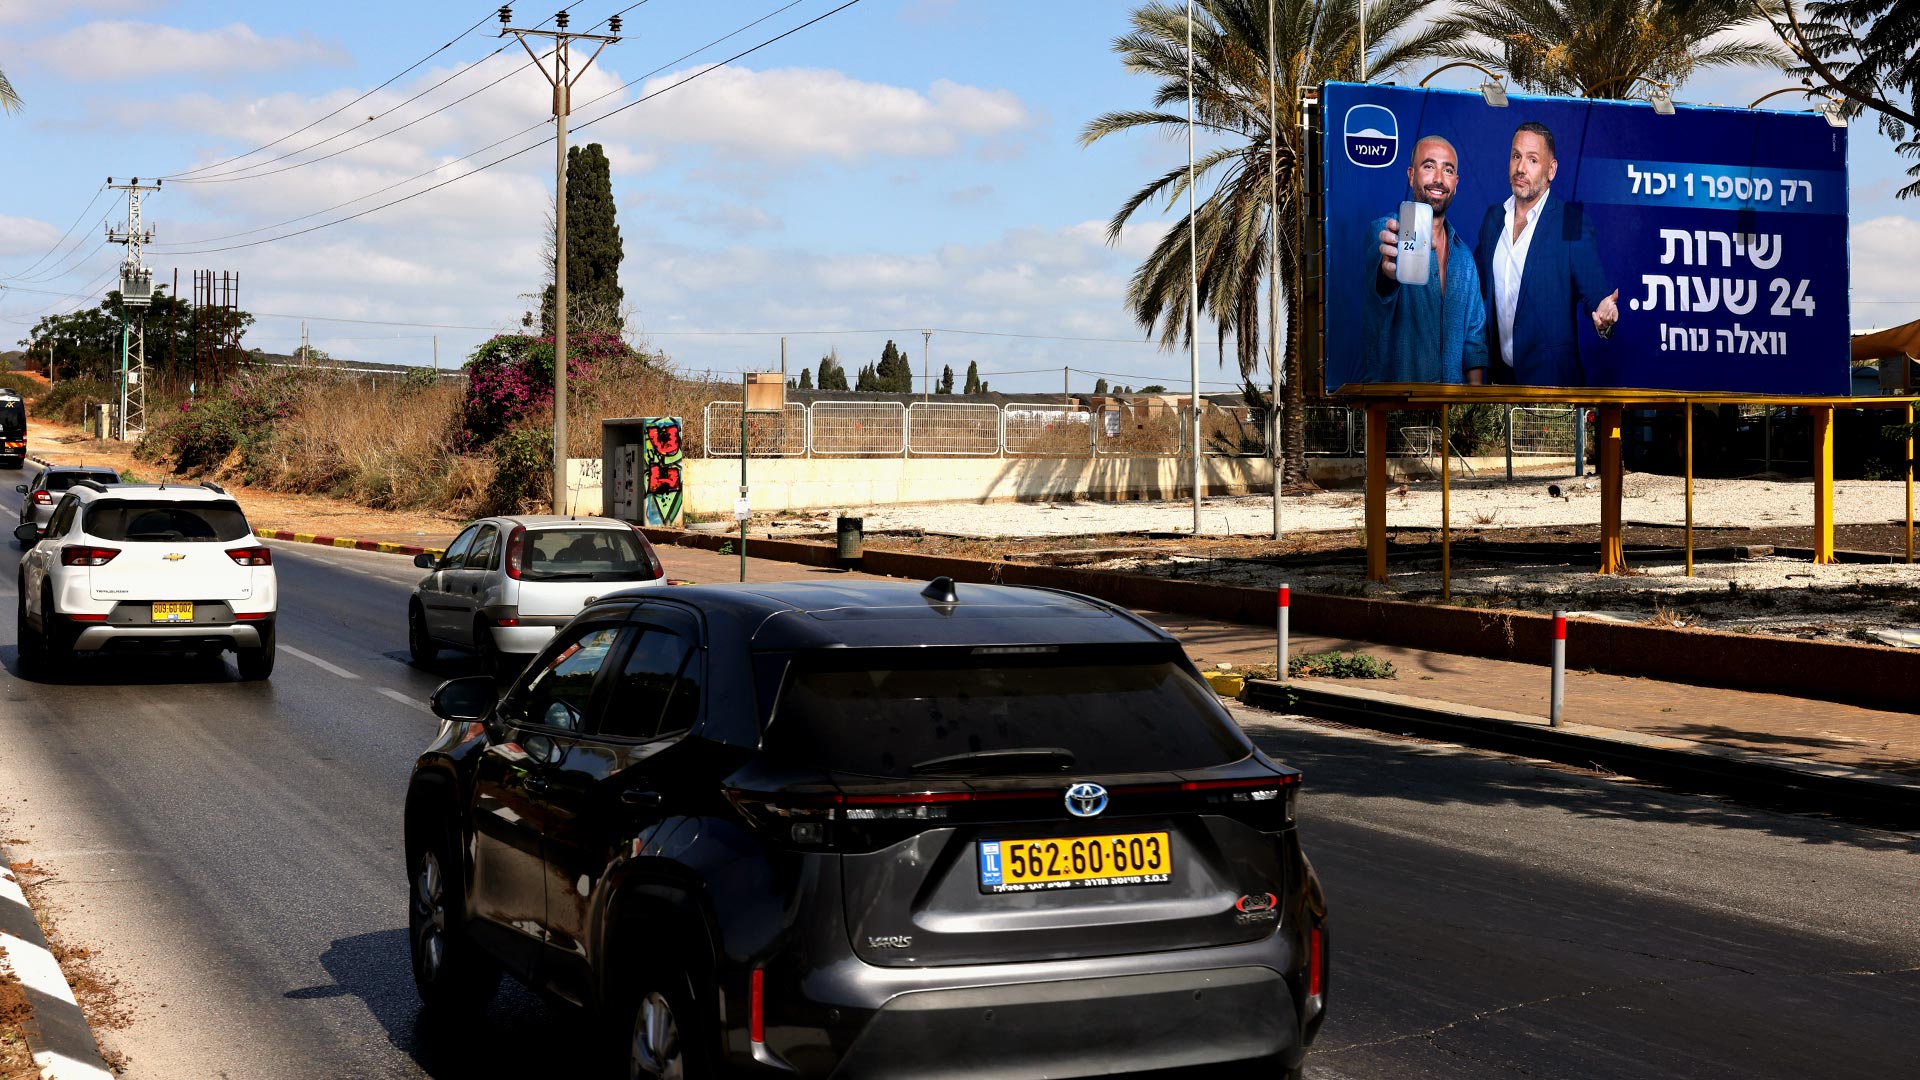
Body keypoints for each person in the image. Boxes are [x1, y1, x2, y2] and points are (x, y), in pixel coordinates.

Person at [1473, 121, 1619, 387]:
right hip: (1500, 386)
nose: (1520, 168)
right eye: (1516, 156)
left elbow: (1595, 297)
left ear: (1551, 170)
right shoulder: (1494, 218)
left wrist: (1603, 318)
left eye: (1532, 160)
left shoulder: (1571, 220)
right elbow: (1475, 288)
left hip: (1553, 390)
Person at [1363, 135, 1490, 385]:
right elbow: (1380, 283)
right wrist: (1389, 273)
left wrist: (1475, 408)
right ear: (1411, 175)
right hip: (1397, 410)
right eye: (1429, 166)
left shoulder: (1464, 259)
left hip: (1452, 412)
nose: (1439, 179)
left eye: (1448, 170)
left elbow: (1474, 341)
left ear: (1456, 183)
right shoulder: (1386, 232)